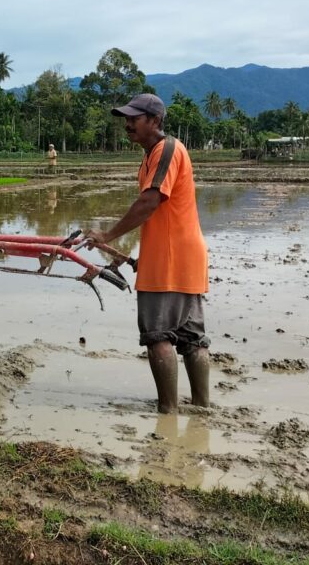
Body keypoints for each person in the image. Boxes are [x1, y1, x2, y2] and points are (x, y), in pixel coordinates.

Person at [85, 93, 210, 414]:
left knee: (158, 336)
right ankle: (201, 409)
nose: (127, 124)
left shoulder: (165, 150)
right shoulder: (154, 153)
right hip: (181, 256)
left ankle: (167, 413)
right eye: (126, 119)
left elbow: (150, 202)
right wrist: (130, 255)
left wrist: (107, 234)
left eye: (134, 118)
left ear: (154, 121)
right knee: (191, 338)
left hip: (170, 258)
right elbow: (161, 215)